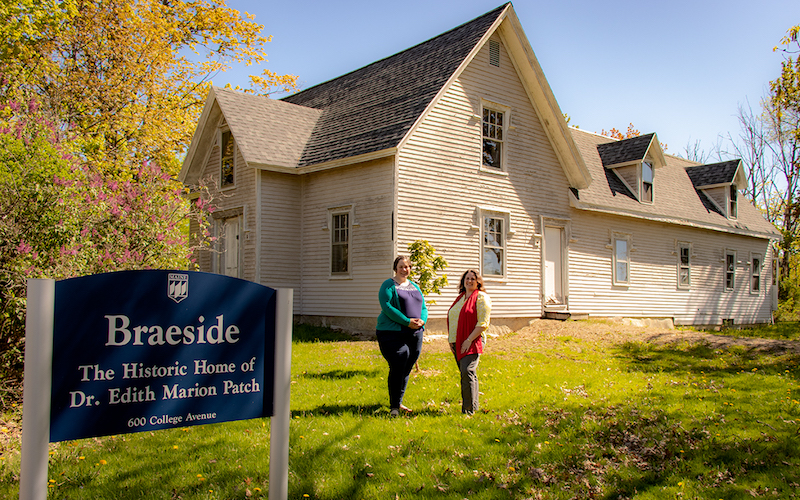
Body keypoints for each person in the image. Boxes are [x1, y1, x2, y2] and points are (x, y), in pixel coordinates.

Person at [376, 256, 427, 417]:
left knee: (406, 368)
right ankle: (394, 407)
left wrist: (422, 321)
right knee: (399, 362)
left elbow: (423, 307)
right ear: (395, 268)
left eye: (407, 266)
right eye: (401, 266)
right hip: (392, 333)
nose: (404, 269)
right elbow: (387, 306)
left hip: (415, 333)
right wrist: (406, 321)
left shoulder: (414, 286)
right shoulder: (388, 285)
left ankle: (398, 402)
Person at [447, 269, 491, 415]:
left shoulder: (481, 297)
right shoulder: (460, 298)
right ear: (463, 281)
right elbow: (454, 318)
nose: (470, 281)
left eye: (473, 278)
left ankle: (468, 411)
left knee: (467, 371)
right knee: (467, 374)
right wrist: (451, 340)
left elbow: (483, 323)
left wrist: (468, 340)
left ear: (478, 281)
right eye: (467, 278)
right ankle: (473, 406)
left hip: (472, 339)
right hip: (457, 341)